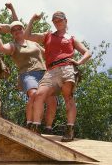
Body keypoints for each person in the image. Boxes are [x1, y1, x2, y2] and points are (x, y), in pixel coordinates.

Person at [24, 11, 91, 141]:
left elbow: (87, 52)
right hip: (51, 71)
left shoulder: (71, 38)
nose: (57, 22)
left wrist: (79, 62)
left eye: (60, 20)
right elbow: (27, 35)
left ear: (66, 21)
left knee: (68, 97)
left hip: (67, 68)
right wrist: (33, 18)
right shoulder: (47, 35)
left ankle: (70, 130)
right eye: (55, 20)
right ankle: (36, 128)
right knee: (39, 94)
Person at [0, 3, 57, 133]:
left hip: (44, 73)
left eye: (19, 29)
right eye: (14, 30)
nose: (17, 31)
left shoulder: (34, 43)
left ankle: (48, 128)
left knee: (52, 100)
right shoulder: (13, 45)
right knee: (34, 95)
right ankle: (30, 124)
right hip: (28, 74)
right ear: (12, 34)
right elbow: (2, 48)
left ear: (23, 30)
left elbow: (48, 55)